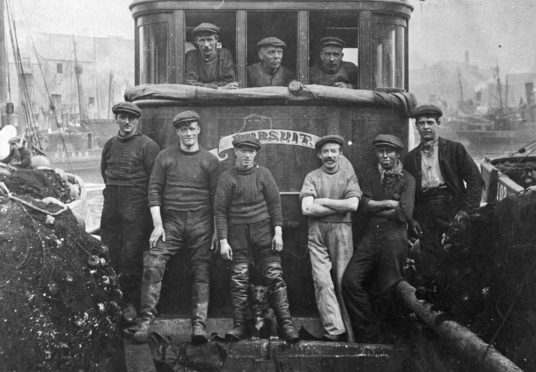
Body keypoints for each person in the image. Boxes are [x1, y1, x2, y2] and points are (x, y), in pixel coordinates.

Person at [133, 110, 220, 344]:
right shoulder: (165, 157)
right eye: (183, 129)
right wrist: (158, 225)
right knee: (153, 262)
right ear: (178, 132)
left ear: (199, 130)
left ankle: (199, 324)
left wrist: (215, 231)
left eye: (192, 128)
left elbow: (217, 200)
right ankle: (146, 320)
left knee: (201, 268)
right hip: (170, 222)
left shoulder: (210, 161)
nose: (188, 133)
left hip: (201, 222)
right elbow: (154, 191)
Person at [215, 135, 299, 344]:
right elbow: (220, 212)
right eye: (243, 150)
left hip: (264, 236)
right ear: (236, 152)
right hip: (237, 237)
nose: (247, 155)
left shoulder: (264, 174)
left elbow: (275, 205)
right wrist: (224, 240)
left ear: (256, 153)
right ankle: (240, 325)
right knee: (239, 280)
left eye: (251, 151)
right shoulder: (227, 177)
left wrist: (278, 232)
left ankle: (287, 325)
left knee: (275, 277)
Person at [342, 134, 415, 343]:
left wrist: (376, 206)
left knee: (388, 287)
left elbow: (404, 214)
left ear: (397, 153)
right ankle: (369, 333)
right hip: (370, 236)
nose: (384, 155)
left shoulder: (408, 179)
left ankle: (387, 336)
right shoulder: (370, 175)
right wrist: (390, 204)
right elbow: (362, 208)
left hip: (394, 238)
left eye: (389, 151)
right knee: (350, 282)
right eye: (380, 151)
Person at [403, 104, 483, 287]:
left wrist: (466, 212)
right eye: (421, 123)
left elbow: (475, 179)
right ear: (416, 127)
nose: (426, 127)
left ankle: (460, 304)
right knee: (430, 259)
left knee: (458, 257)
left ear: (438, 124)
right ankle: (434, 303)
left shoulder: (455, 149)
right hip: (426, 213)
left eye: (430, 122)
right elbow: (407, 193)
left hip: (452, 208)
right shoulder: (410, 158)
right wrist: (412, 219)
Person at [100, 102, 160, 326]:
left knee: (131, 256)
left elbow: (155, 181)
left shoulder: (147, 146)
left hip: (135, 205)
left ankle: (129, 304)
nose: (126, 122)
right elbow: (105, 173)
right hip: (112, 203)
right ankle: (111, 301)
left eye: (131, 118)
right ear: (116, 119)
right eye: (122, 117)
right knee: (109, 249)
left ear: (137, 121)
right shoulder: (109, 145)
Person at [299, 135, 361, 342]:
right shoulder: (312, 176)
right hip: (316, 232)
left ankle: (352, 335)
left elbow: (353, 205)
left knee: (343, 282)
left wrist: (323, 201)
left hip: (342, 231)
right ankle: (334, 330)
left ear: (340, 154)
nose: (330, 155)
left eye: (334, 151)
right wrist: (338, 206)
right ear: (319, 155)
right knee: (322, 282)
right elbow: (307, 208)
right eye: (325, 152)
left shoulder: (348, 176)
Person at [185, 23, 239, 89]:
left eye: (209, 40)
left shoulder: (224, 54)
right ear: (196, 41)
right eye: (202, 40)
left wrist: (202, 86)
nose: (206, 45)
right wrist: (218, 88)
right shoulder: (192, 56)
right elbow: (190, 83)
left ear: (216, 40)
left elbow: (230, 82)